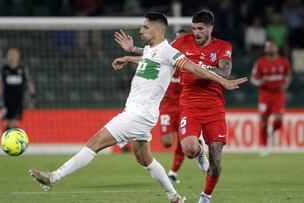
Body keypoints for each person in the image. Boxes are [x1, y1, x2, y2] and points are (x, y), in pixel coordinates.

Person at [28, 12, 247, 203]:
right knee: (145, 159)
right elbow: (149, 57)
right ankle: (175, 197)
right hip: (141, 113)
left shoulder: (170, 53)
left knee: (95, 142)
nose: (141, 30)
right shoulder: (154, 50)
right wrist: (129, 54)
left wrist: (224, 81)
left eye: (145, 27)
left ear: (158, 30)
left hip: (138, 115)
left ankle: (53, 177)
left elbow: (195, 69)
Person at [114, 10, 235, 203]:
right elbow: (159, 55)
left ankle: (206, 196)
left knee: (216, 160)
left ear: (210, 28)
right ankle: (198, 151)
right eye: (194, 28)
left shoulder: (223, 47)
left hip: (214, 107)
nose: (196, 32)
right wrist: (133, 49)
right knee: (188, 149)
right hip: (189, 104)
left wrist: (195, 64)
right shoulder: (183, 42)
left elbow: (225, 72)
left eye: (201, 29)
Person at [114, 28, 204, 184]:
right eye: (177, 40)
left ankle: (177, 169)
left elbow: (200, 72)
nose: (179, 43)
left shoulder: (190, 59)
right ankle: (196, 146)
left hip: (184, 105)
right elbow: (149, 56)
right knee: (167, 142)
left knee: (184, 140)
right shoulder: (168, 54)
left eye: (183, 40)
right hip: (167, 106)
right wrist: (131, 52)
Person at [250, 41, 292, 156]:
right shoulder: (261, 62)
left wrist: (286, 84)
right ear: (265, 49)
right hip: (265, 95)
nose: (271, 49)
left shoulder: (283, 61)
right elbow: (253, 78)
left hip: (278, 94)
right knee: (264, 121)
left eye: (273, 46)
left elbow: (288, 75)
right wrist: (259, 82)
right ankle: (264, 146)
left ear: (277, 48)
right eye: (268, 47)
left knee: (279, 118)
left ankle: (273, 131)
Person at [0, 48, 36, 131]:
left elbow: (29, 83)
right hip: (6, 101)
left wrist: (32, 95)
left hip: (18, 101)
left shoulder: (23, 70)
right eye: (10, 55)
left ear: (18, 57)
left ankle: (14, 142)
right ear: (7, 57)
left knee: (15, 123)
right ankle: (6, 142)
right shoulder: (4, 69)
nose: (12, 57)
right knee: (6, 123)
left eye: (14, 55)